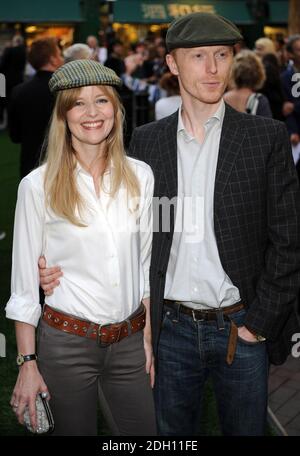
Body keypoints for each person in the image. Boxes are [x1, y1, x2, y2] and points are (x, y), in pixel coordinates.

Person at [39, 13, 300, 436]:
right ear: (173, 64)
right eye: (198, 56)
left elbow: (289, 241)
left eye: (222, 55)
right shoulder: (147, 140)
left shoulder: (263, 138)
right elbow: (119, 228)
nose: (213, 68)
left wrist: (259, 324)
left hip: (241, 328)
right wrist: (57, 265)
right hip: (169, 331)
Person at [6, 59, 156, 436]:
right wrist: (27, 363)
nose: (92, 113)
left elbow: (144, 267)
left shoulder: (140, 176)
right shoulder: (37, 186)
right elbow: (24, 287)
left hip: (129, 343)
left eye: (102, 101)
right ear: (63, 115)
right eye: (78, 103)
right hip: (66, 345)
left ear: (116, 110)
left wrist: (147, 340)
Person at [8, 37, 64, 178]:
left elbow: (15, 136)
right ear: (53, 59)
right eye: (59, 54)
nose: (62, 58)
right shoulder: (64, 90)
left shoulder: (18, 91)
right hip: (62, 164)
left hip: (30, 166)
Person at [223, 50, 273, 117]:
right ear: (258, 74)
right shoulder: (259, 101)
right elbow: (268, 126)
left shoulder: (223, 99)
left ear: (234, 72)